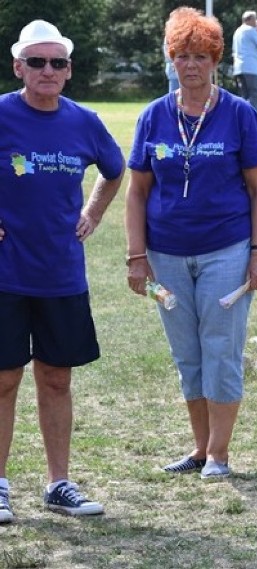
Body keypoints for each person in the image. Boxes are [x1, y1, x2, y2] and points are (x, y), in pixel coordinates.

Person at [125, 7, 257, 479]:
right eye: (182, 56)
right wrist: (136, 257)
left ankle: (220, 454)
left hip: (226, 250)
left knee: (221, 349)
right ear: (171, 60)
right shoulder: (153, 116)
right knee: (187, 353)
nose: (190, 65)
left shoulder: (239, 114)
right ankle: (199, 447)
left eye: (200, 56)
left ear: (215, 61)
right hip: (166, 255)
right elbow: (137, 192)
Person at [0, 19, 125, 522]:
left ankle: (58, 484)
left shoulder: (84, 121)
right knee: (4, 379)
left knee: (56, 379)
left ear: (68, 71)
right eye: (37, 62)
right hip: (6, 276)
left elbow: (115, 171)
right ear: (18, 67)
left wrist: (92, 213)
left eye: (57, 63)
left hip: (61, 275)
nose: (47, 70)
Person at [231, 10, 257, 114]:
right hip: (251, 67)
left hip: (239, 67)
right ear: (250, 19)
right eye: (255, 19)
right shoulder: (251, 30)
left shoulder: (237, 31)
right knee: (254, 94)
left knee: (244, 95)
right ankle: (252, 117)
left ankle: (242, 116)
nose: (256, 22)